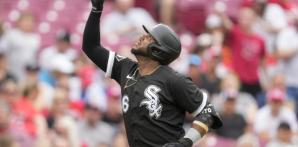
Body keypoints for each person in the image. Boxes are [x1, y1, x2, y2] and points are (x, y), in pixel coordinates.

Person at [82, 0, 222, 147]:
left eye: (149, 37)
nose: (142, 36)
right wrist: (96, 9)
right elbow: (91, 47)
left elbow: (209, 112)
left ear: (158, 50)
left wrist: (185, 143)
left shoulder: (173, 80)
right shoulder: (125, 68)